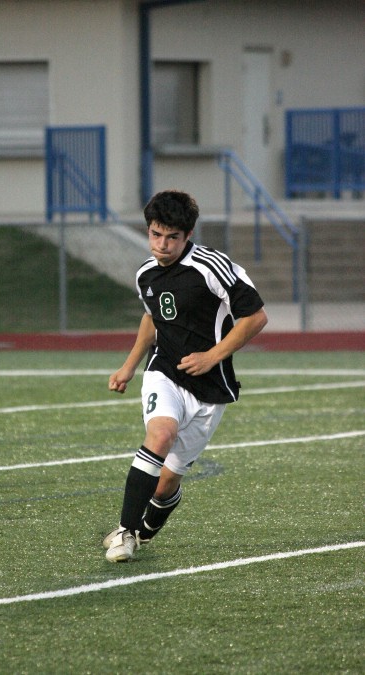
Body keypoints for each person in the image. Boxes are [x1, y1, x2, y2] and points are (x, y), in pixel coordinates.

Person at [104, 190, 268, 562]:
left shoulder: (212, 267)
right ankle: (125, 532)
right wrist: (130, 365)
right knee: (160, 434)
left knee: (166, 485)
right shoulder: (145, 273)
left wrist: (213, 355)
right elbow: (152, 319)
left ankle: (142, 532)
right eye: (155, 234)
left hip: (211, 388)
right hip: (164, 371)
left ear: (188, 235)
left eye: (172, 237)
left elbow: (256, 317)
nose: (162, 245)